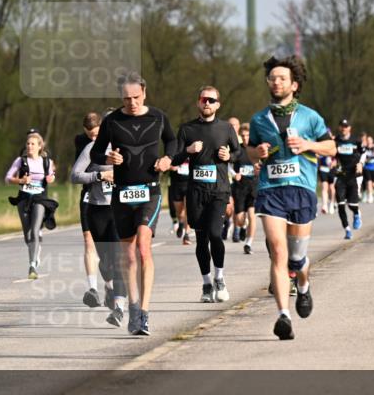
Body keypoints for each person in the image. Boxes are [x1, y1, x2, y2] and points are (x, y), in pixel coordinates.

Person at [247, 55, 335, 341]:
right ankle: (283, 316)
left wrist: (308, 144)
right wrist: (257, 153)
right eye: (272, 78)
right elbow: (249, 150)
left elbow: (331, 147)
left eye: (282, 78)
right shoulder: (259, 119)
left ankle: (304, 286)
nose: (276, 82)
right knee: (277, 251)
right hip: (270, 189)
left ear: (294, 85)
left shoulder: (310, 116)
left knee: (296, 259)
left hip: (301, 189)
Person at [90, 72, 176, 336]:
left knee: (143, 248)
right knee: (127, 255)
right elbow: (96, 152)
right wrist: (108, 157)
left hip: (149, 192)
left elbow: (172, 141)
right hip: (122, 194)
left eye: (136, 97)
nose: (132, 103)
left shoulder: (158, 117)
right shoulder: (112, 121)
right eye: (126, 98)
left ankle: (144, 313)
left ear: (144, 93)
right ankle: (133, 307)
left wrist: (167, 159)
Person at [170, 86, 240, 303]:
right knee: (201, 240)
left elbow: (238, 152)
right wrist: (188, 151)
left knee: (215, 234)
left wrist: (229, 155)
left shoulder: (226, 128)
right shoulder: (187, 129)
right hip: (196, 192)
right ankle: (207, 284)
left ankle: (220, 278)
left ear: (218, 104)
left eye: (211, 100)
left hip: (219, 190)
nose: (207, 103)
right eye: (203, 99)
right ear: (198, 103)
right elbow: (174, 158)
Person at [70, 124, 128, 323]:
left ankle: (119, 309)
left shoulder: (128, 146)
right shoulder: (93, 148)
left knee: (119, 259)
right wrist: (100, 175)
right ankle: (109, 287)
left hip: (120, 209)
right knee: (105, 261)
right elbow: (75, 176)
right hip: (98, 210)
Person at [5, 130, 58, 279]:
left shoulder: (47, 162)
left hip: (39, 198)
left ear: (40, 146)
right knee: (27, 234)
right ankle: (35, 251)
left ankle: (32, 265)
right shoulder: (20, 161)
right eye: (28, 144)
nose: (29, 146)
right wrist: (21, 180)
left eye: (33, 144)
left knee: (35, 230)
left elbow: (51, 175)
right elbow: (7, 178)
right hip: (23, 198)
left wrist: (51, 178)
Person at [74, 113, 101, 305]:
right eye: (90, 134)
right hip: (90, 193)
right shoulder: (81, 142)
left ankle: (111, 286)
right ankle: (93, 288)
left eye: (97, 134)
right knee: (88, 240)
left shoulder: (113, 139)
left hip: (111, 197)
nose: (93, 138)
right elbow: (78, 171)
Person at [333, 119, 365, 240]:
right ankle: (347, 230)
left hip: (353, 175)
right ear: (339, 127)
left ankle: (356, 213)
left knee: (352, 204)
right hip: (340, 175)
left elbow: (364, 153)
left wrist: (360, 163)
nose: (343, 128)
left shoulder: (356, 140)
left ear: (349, 128)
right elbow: (330, 152)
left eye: (346, 126)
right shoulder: (335, 141)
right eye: (342, 126)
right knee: (341, 205)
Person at [232, 123, 260, 254]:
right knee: (239, 219)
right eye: (243, 135)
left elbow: (265, 163)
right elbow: (228, 165)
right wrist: (234, 174)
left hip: (253, 186)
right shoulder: (237, 150)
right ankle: (243, 226)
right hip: (240, 188)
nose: (245, 138)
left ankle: (248, 243)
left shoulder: (256, 149)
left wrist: (260, 170)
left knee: (252, 215)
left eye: (248, 135)